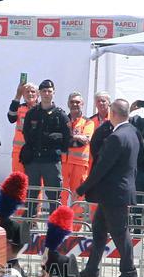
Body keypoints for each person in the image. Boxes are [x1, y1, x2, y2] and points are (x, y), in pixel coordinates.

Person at [76, 99, 140, 277]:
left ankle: (129, 272)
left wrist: (83, 188)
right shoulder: (133, 132)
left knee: (120, 233)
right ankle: (91, 271)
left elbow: (101, 167)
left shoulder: (116, 137)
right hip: (115, 192)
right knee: (99, 231)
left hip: (114, 193)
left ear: (112, 113)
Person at [17, 79, 69, 216]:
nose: (47, 94)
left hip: (51, 161)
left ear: (54, 93)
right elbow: (26, 134)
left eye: (49, 91)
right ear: (40, 93)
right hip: (34, 160)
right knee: (31, 196)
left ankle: (54, 232)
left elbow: (66, 138)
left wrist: (53, 145)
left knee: (54, 198)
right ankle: (29, 228)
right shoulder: (32, 113)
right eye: (44, 91)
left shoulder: (61, 115)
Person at [64, 92, 95, 199]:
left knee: (78, 196)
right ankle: (61, 216)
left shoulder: (88, 122)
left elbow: (86, 140)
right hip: (63, 162)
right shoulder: (63, 120)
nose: (75, 104)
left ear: (82, 104)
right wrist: (77, 137)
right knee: (61, 195)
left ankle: (77, 216)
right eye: (72, 102)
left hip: (80, 164)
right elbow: (61, 139)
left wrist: (71, 135)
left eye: (77, 102)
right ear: (68, 104)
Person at [7, 81, 38, 175]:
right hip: (19, 151)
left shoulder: (41, 110)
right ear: (23, 94)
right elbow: (11, 118)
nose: (30, 94)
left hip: (36, 151)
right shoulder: (19, 108)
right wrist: (18, 95)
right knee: (17, 180)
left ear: (38, 94)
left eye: (32, 91)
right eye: (27, 91)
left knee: (35, 183)